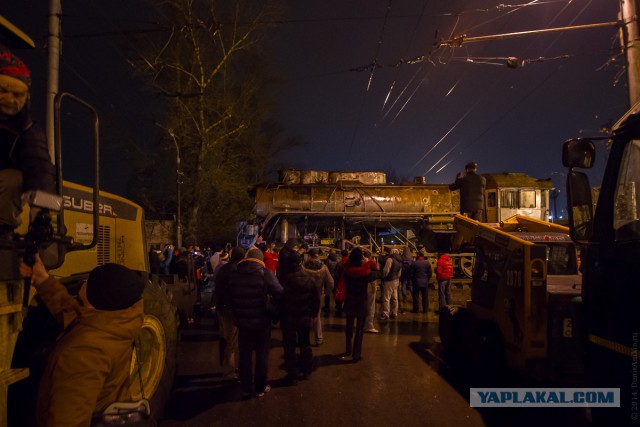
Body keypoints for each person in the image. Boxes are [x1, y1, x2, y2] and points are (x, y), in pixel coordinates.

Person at [19, 255, 145, 426]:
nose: (84, 282)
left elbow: (69, 420)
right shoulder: (114, 323)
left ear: (96, 296)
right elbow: (71, 311)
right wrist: (42, 279)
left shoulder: (84, 353)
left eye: (89, 281)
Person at [0, 46, 55, 236]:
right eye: (3, 90)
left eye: (17, 94)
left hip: (3, 190)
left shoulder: (27, 130)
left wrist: (41, 214)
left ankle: (3, 228)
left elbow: (39, 169)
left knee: (14, 178)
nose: (9, 100)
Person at [229, 247, 283, 399]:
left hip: (242, 321)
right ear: (260, 260)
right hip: (261, 322)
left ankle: (246, 387)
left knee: (244, 355)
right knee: (261, 355)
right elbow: (279, 292)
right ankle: (260, 387)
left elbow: (230, 296)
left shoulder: (235, 274)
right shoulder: (265, 274)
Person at [279, 251, 321, 384]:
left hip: (288, 317)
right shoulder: (309, 279)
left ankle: (292, 374)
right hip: (304, 317)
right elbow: (316, 299)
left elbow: (278, 299)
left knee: (289, 346)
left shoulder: (283, 279)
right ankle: (307, 370)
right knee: (305, 344)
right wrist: (313, 314)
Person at [340, 247, 380, 363]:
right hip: (361, 301)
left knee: (349, 326)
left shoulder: (347, 270)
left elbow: (345, 266)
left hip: (349, 301)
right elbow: (377, 272)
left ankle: (348, 349)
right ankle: (356, 354)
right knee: (359, 329)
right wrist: (368, 262)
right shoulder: (365, 273)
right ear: (361, 258)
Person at [214, 246, 245, 380]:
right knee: (231, 341)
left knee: (227, 339)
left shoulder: (223, 268)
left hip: (222, 308)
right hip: (230, 309)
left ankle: (229, 367)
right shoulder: (236, 270)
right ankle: (229, 372)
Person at [302, 248, 334, 346]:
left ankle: (304, 340)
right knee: (317, 317)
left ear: (310, 256)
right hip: (317, 294)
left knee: (304, 316)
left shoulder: (303, 267)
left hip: (305, 294)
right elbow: (330, 282)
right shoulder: (323, 267)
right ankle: (318, 339)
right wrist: (327, 293)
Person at [379, 248, 402, 321]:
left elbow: (386, 270)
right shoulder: (399, 260)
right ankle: (394, 312)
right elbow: (399, 272)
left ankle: (386, 314)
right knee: (395, 298)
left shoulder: (390, 259)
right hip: (396, 280)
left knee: (386, 298)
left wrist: (383, 277)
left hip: (389, 280)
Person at [363, 250, 380, 334]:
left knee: (364, 305)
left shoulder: (359, 263)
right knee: (371, 306)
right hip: (370, 285)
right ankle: (369, 326)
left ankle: (362, 324)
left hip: (362, 286)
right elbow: (376, 273)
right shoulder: (371, 264)